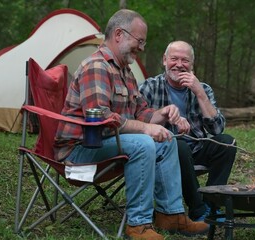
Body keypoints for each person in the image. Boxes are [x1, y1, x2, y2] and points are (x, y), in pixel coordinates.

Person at [53, 10, 208, 240]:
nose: (142, 48)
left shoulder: (125, 71)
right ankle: (138, 225)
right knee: (144, 142)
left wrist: (161, 114)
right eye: (140, 41)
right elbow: (101, 120)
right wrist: (146, 129)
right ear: (119, 34)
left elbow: (140, 111)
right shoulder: (96, 66)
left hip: (108, 144)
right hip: (80, 150)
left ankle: (170, 215)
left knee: (166, 141)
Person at [139, 40, 237, 221]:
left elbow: (216, 129)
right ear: (164, 60)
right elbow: (138, 122)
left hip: (197, 148)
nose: (179, 64)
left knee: (227, 142)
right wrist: (167, 115)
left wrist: (199, 93)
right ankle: (197, 208)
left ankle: (212, 204)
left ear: (192, 64)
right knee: (179, 145)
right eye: (174, 59)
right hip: (165, 152)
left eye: (185, 60)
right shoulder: (150, 87)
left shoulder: (203, 88)